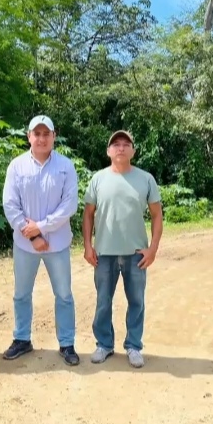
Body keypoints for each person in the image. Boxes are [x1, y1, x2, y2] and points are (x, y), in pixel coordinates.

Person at [1, 115, 80, 366]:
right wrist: (34, 235)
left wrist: (42, 226)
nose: (42, 138)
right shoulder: (16, 166)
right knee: (21, 294)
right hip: (26, 244)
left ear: (54, 137)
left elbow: (69, 205)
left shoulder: (66, 166)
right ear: (29, 136)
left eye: (47, 134)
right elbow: (10, 204)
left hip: (58, 244)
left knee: (64, 295)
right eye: (37, 133)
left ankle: (67, 343)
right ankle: (22, 338)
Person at [82, 130, 163, 368]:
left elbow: (157, 215)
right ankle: (104, 344)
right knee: (103, 301)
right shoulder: (98, 179)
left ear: (133, 151)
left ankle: (134, 346)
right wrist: (87, 245)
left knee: (136, 301)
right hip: (104, 253)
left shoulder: (145, 179)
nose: (120, 148)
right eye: (115, 144)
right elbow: (88, 214)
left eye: (126, 144)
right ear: (108, 151)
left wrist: (153, 249)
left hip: (136, 254)